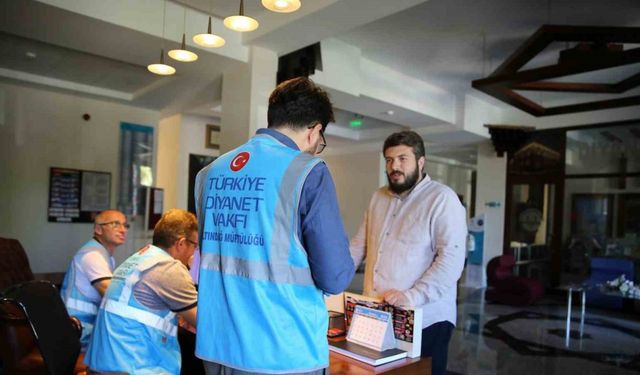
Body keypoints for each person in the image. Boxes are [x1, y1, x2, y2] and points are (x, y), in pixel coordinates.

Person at [194, 77, 355, 374]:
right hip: (282, 351)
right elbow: (334, 277)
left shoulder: (209, 174)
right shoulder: (308, 171)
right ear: (314, 130)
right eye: (320, 142)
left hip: (217, 348)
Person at [350, 130, 467, 375]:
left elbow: (452, 259)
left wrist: (412, 296)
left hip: (426, 318)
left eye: (403, 159)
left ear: (421, 162)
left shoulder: (441, 199)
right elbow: (359, 245)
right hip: (379, 314)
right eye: (390, 160)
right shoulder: (378, 197)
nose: (395, 166)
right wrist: (333, 278)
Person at [84, 209, 199, 374]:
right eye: (194, 246)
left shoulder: (139, 258)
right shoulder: (169, 268)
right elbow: (205, 324)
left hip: (104, 364)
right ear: (181, 243)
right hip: (131, 368)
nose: (194, 253)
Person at [60, 209, 128, 351]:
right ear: (98, 229)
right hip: (77, 330)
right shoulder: (93, 256)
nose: (123, 230)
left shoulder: (106, 256)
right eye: (115, 224)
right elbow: (113, 295)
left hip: (86, 327)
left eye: (125, 225)